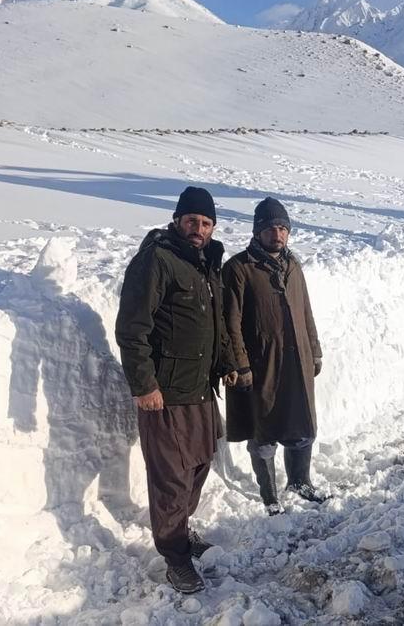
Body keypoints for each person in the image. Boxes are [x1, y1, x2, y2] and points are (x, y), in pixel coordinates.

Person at [115, 186, 236, 594]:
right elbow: (132, 328)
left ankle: (181, 532)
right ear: (177, 220)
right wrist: (144, 385)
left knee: (200, 464)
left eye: (205, 223)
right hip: (165, 393)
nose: (198, 229)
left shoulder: (205, 265)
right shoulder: (157, 260)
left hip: (200, 390)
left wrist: (226, 364)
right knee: (171, 477)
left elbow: (211, 324)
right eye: (191, 221)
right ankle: (174, 556)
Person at [223, 197, 326, 515]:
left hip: (297, 360)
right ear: (257, 232)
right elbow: (231, 321)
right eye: (270, 228)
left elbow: (305, 309)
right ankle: (269, 495)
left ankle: (299, 481)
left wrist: (315, 349)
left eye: (283, 228)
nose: (277, 234)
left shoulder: (293, 264)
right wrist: (239, 362)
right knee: (263, 428)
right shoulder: (239, 268)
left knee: (301, 423)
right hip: (260, 364)